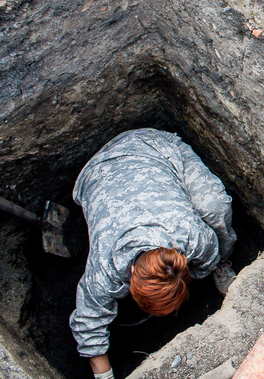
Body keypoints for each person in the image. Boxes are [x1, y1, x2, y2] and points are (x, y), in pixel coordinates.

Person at [69, 129, 238, 379]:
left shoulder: (191, 236)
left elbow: (208, 251)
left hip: (159, 149)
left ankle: (220, 266)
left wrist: (204, 268)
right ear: (132, 272)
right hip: (97, 172)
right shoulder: (104, 269)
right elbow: (88, 322)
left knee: (216, 207)